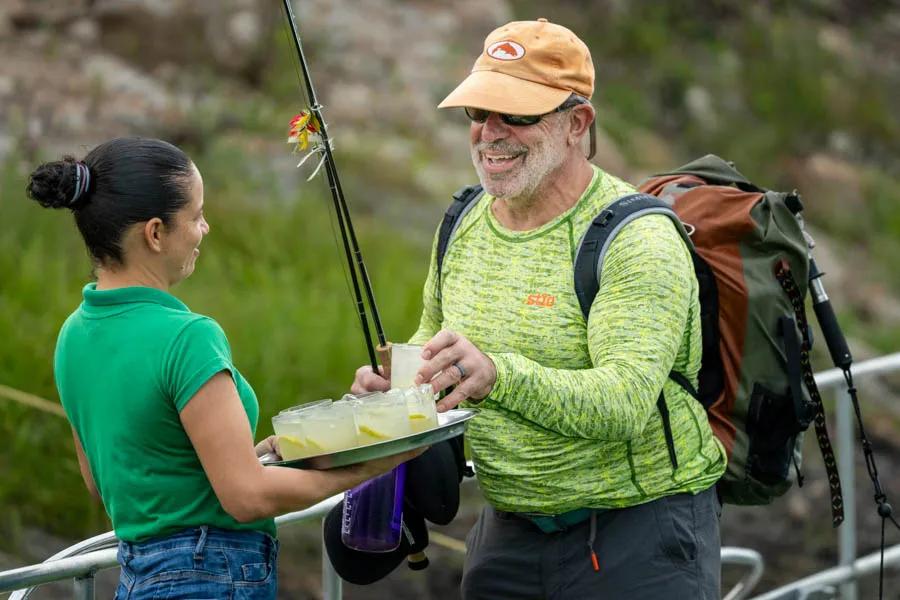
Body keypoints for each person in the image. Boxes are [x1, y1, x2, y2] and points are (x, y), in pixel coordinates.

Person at [352, 19, 728, 599]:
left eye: (517, 115)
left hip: (640, 534)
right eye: (478, 113)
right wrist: (394, 391)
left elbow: (624, 403)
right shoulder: (461, 222)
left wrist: (496, 376)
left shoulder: (638, 239)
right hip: (505, 534)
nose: (489, 134)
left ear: (577, 123)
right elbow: (430, 345)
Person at [27, 137, 417, 600]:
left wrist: (254, 456)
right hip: (213, 577)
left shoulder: (73, 335)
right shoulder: (188, 337)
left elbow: (107, 483)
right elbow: (246, 497)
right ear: (155, 233)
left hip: (137, 578)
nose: (205, 228)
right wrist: (369, 468)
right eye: (195, 216)